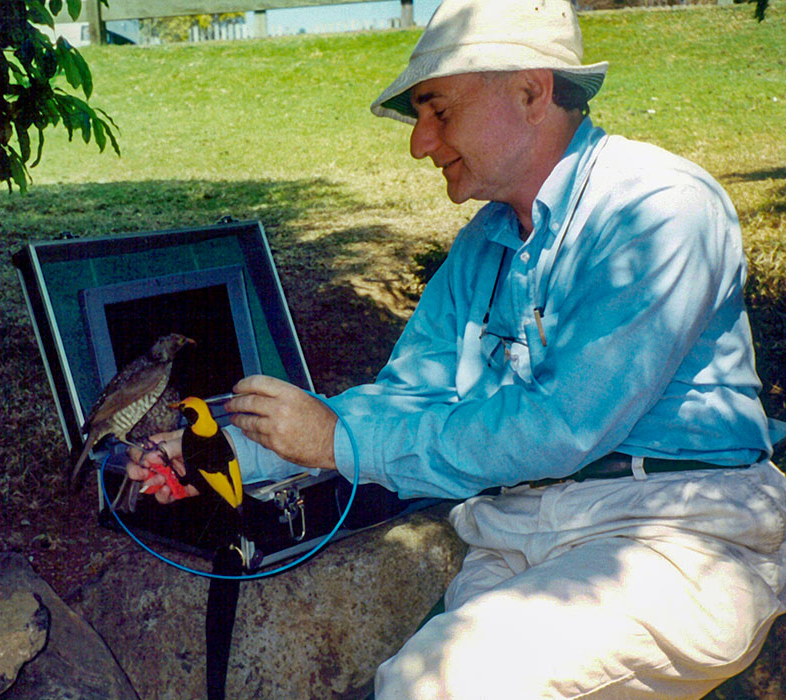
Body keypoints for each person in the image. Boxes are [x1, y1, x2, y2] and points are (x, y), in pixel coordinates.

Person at [127, 0, 786, 696]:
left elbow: (561, 426)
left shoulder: (659, 209)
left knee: (444, 679)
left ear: (531, 90)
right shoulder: (485, 245)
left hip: (677, 541)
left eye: (437, 109)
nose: (419, 143)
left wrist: (337, 443)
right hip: (515, 538)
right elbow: (410, 397)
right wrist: (220, 448)